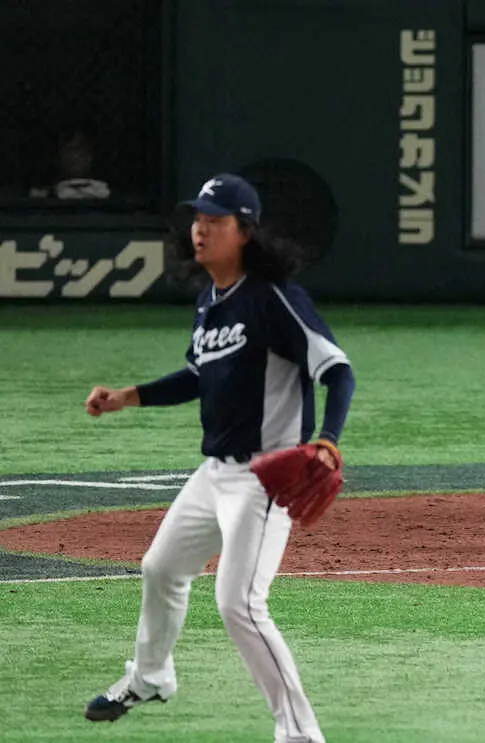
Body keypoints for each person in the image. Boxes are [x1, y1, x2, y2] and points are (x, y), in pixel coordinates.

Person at [82, 173, 355, 743]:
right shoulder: (210, 299)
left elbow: (337, 369)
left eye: (214, 220)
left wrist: (327, 439)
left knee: (240, 605)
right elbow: (200, 375)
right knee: (161, 568)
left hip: (267, 476)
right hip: (217, 473)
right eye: (197, 218)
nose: (199, 229)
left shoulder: (273, 298)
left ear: (245, 231)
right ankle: (151, 677)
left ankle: (300, 733)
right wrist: (128, 397)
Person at [28, 119, 111, 200]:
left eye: (80, 148)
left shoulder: (113, 197)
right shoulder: (42, 199)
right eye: (69, 150)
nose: (75, 156)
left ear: (91, 153)